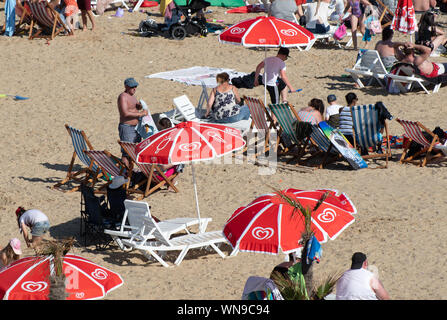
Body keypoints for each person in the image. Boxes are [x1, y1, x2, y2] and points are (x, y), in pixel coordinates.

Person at [118, 77, 148, 168]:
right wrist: (140, 114)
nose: (134, 89)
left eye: (135, 86)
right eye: (132, 87)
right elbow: (125, 113)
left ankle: (130, 173)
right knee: (126, 152)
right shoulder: (123, 97)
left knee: (134, 151)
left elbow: (133, 109)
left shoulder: (133, 96)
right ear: (126, 86)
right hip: (127, 127)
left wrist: (138, 107)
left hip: (136, 128)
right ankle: (126, 175)